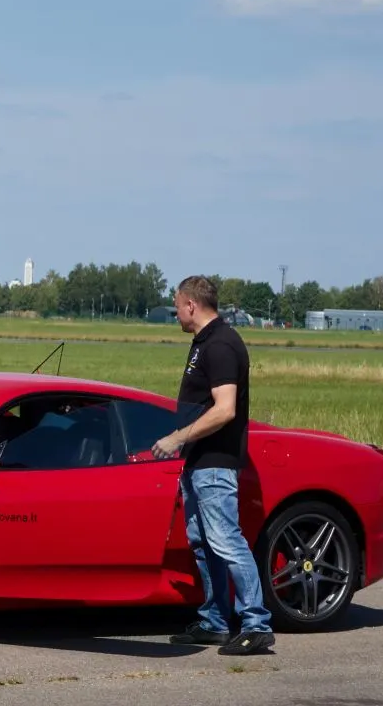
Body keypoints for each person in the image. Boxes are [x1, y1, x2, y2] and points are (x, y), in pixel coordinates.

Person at [152, 274, 276, 656]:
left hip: (215, 463)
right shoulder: (203, 342)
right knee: (204, 543)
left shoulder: (222, 345)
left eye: (176, 305)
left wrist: (177, 438)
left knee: (226, 540)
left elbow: (225, 410)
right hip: (198, 462)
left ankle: (256, 623)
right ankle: (216, 622)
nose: (175, 312)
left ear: (191, 304)